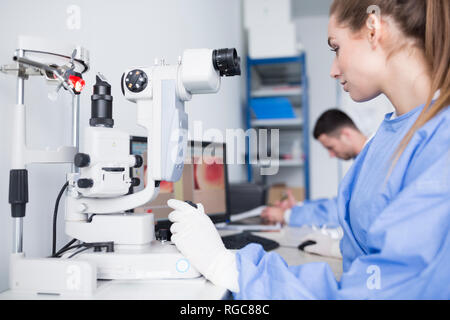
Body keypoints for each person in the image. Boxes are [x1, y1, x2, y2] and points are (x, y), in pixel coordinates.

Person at [167, 0, 450, 299]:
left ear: (373, 29)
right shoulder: (391, 134)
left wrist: (231, 268)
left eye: (335, 48)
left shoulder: (440, 146)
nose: (333, 69)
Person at [260, 109, 368, 227]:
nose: (331, 155)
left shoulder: (372, 162)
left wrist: (287, 215)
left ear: (346, 135)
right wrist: (299, 208)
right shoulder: (363, 160)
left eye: (331, 147)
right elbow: (341, 202)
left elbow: (343, 212)